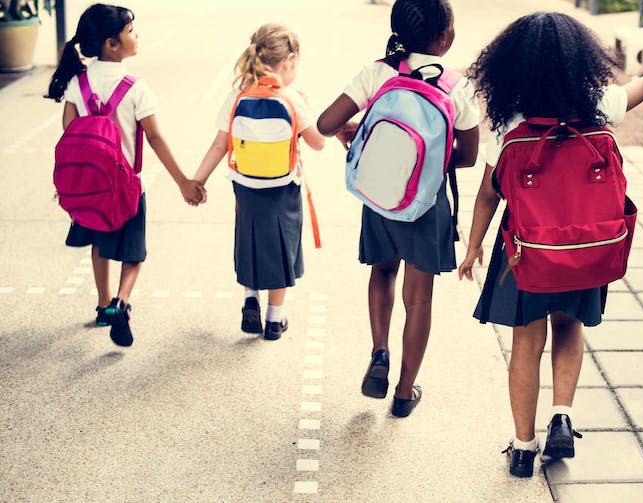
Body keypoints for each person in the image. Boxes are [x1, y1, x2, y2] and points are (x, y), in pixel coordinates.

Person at [458, 11, 643, 477]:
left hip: (526, 255)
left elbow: (488, 194)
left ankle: (522, 447)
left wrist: (474, 247)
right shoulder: (599, 105)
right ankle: (563, 414)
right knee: (569, 327)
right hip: (586, 249)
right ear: (582, 60)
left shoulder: (510, 123)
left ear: (512, 67)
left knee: (525, 344)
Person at [318, 0, 480, 417]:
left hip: (380, 195)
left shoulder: (378, 72)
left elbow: (324, 123)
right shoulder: (457, 87)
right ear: (445, 37)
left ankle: (379, 352)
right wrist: (427, 160)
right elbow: (467, 157)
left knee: (382, 271)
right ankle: (405, 392)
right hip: (426, 204)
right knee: (420, 299)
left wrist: (350, 138)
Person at [45, 3, 205, 347]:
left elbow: (69, 133)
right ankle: (122, 300)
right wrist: (183, 182)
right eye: (130, 31)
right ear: (110, 44)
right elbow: (156, 138)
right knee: (133, 252)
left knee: (100, 244)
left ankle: (103, 305)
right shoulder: (135, 87)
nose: (136, 35)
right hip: (128, 188)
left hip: (89, 189)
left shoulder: (78, 82)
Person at [192, 23, 325, 341]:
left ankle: (250, 300)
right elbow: (318, 142)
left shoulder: (237, 95)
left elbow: (218, 145)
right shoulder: (292, 97)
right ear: (289, 61)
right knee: (280, 248)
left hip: (246, 188)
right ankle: (274, 319)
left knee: (249, 241)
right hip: (282, 190)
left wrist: (197, 181)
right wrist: (308, 106)